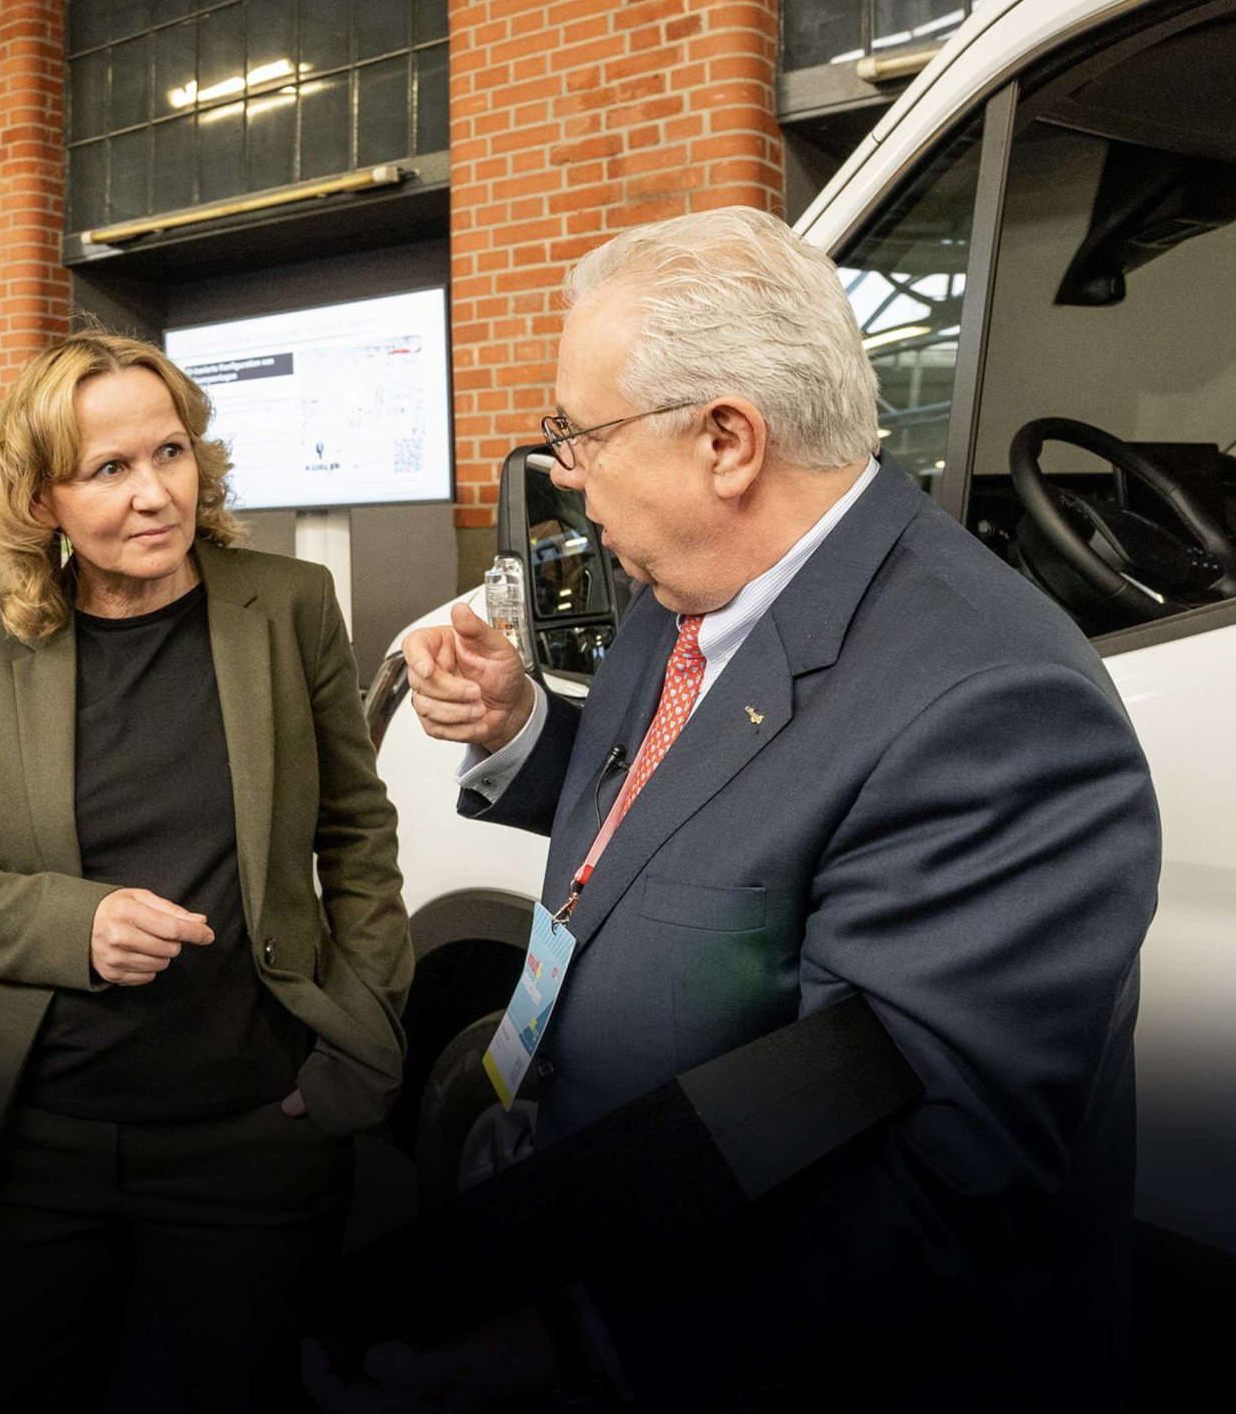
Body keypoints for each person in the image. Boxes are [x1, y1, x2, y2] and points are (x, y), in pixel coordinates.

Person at [400, 207, 1160, 1410]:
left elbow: (914, 1184)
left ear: (726, 441)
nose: (561, 469)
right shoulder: (681, 585)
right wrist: (521, 731)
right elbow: (673, 818)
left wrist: (563, 1343)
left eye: (579, 431)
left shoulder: (994, 710)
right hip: (597, 1204)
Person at [0, 333, 413, 1412]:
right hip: (34, 1136)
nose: (154, 494)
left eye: (171, 453)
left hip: (254, 1129)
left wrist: (362, 1047)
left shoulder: (287, 605)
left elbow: (358, 837)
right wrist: (74, 924)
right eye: (108, 470)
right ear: (44, 498)